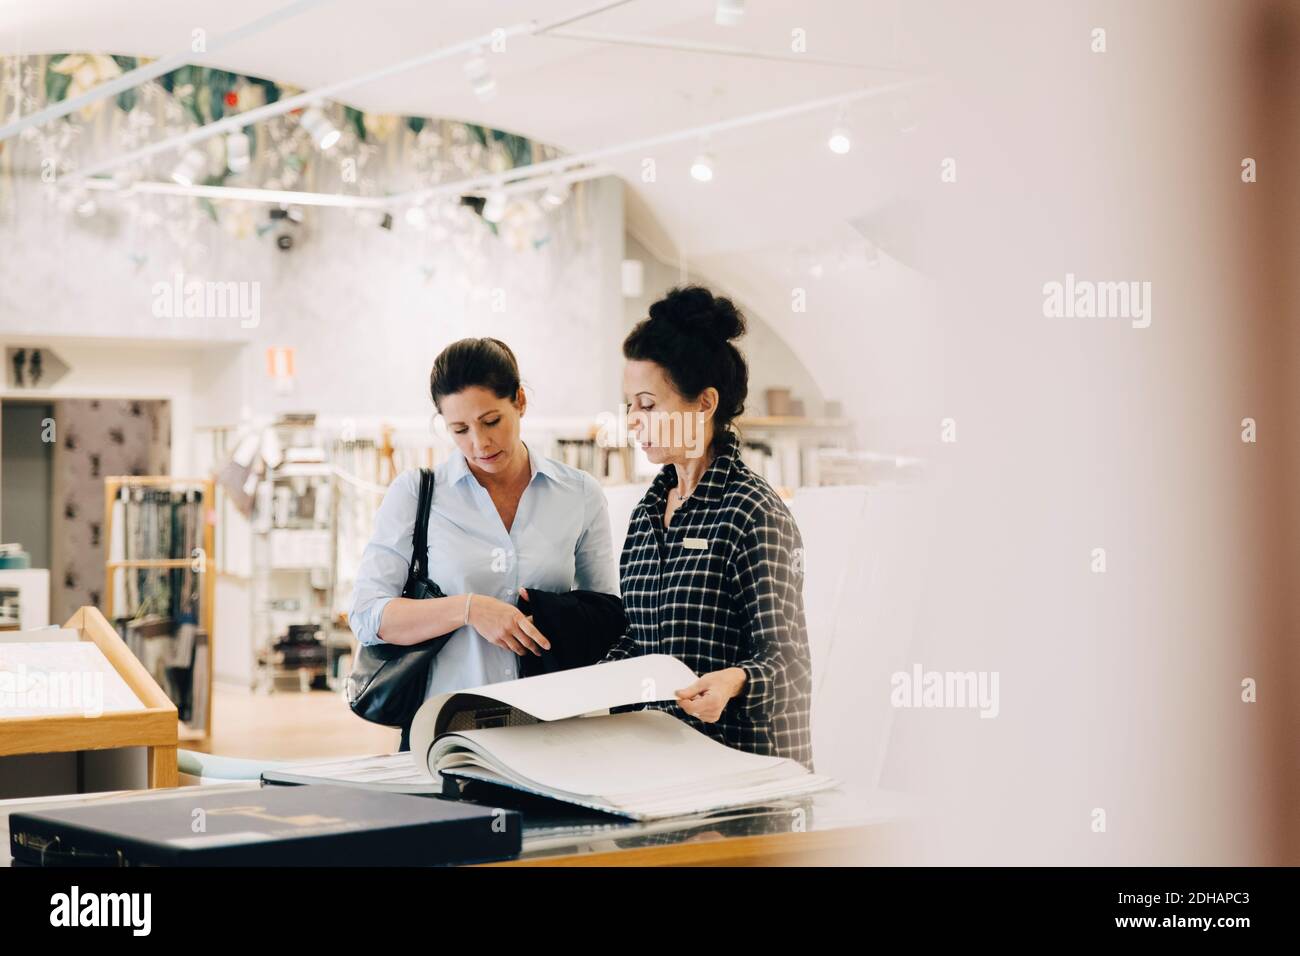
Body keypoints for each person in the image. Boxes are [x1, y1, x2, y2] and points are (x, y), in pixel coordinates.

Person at [349, 337, 618, 749]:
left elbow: (604, 616)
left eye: (491, 421)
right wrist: (470, 609)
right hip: (446, 730)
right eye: (459, 430)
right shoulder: (417, 494)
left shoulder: (578, 493)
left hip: (552, 729)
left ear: (521, 402)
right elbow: (368, 616)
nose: (479, 443)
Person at [603, 286, 815, 770]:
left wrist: (735, 681)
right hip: (662, 770)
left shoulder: (752, 512)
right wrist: (582, 686)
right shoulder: (645, 515)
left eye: (648, 405)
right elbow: (644, 639)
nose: (634, 422)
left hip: (744, 775)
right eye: (629, 406)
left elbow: (791, 667)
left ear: (704, 404)